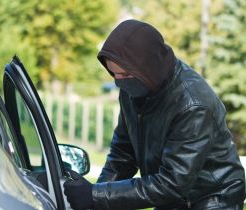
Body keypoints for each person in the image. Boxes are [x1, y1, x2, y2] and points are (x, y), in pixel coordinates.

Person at [63, 19, 245, 210]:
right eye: (113, 73)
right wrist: (94, 196)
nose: (118, 82)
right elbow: (123, 154)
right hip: (170, 199)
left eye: (124, 75)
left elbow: (173, 183)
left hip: (212, 202)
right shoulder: (135, 86)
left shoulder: (193, 104)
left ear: (146, 69)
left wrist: (96, 196)